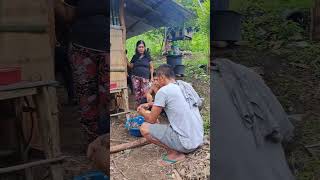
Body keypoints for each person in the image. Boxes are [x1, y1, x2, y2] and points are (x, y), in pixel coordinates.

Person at [54, 0, 109, 142]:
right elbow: (68, 15)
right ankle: (92, 144)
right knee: (86, 98)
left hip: (109, 49)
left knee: (107, 96)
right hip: (81, 47)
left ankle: (106, 143)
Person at [137, 64, 204, 166]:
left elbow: (151, 120)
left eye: (158, 80)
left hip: (187, 144)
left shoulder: (163, 91)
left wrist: (141, 111)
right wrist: (150, 104)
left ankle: (174, 154)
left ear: (162, 78)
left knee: (144, 128)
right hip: (198, 138)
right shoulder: (185, 85)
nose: (157, 83)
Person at [128, 40, 154, 107]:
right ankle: (138, 106)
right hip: (135, 77)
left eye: (142, 47)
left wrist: (152, 77)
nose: (141, 48)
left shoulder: (147, 56)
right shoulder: (135, 57)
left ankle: (145, 106)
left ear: (144, 48)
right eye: (139, 47)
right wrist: (125, 59)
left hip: (145, 77)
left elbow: (151, 67)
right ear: (137, 48)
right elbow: (131, 66)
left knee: (145, 92)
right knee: (137, 92)